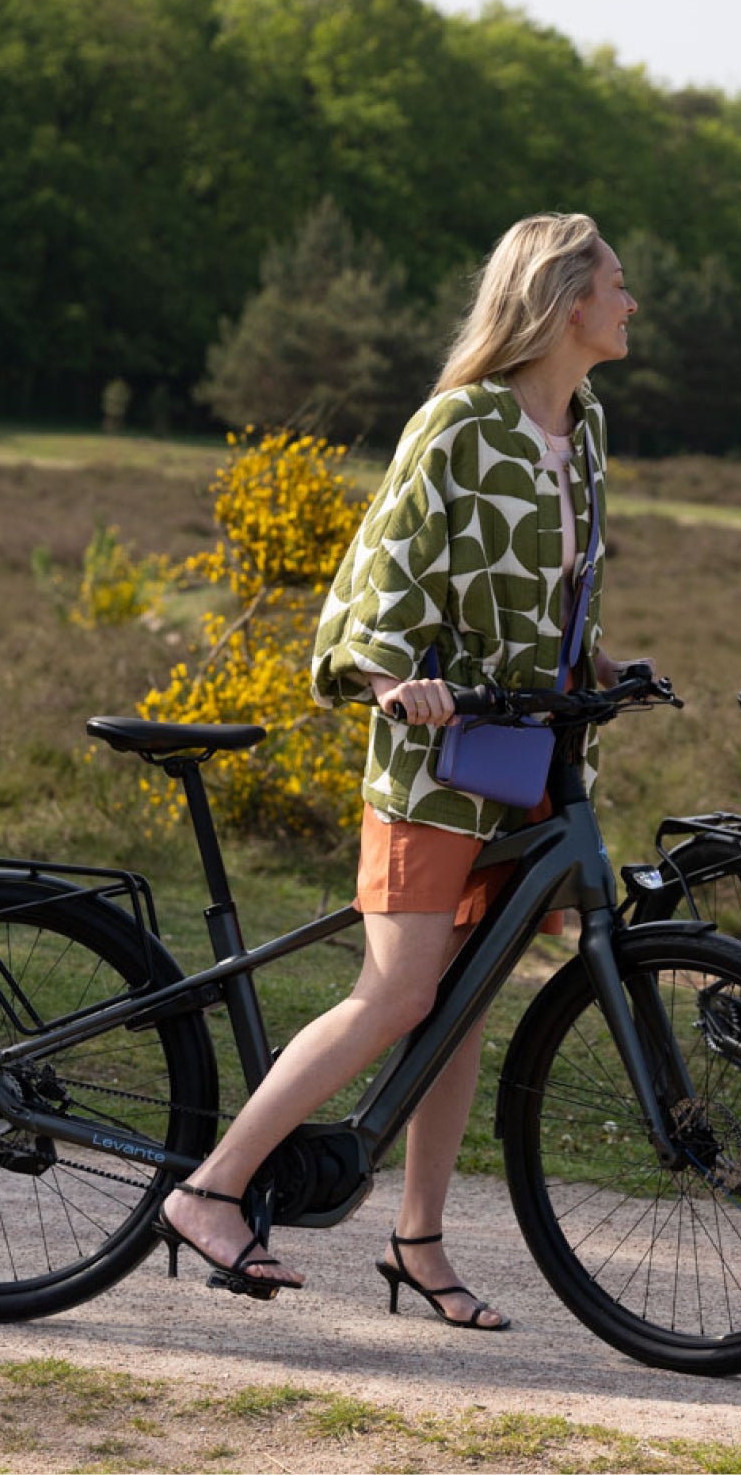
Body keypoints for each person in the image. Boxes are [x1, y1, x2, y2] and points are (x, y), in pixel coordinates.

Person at [157, 212, 644, 1330]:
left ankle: (415, 1239)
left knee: (458, 1007)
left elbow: (559, 583)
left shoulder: (588, 425)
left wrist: (600, 659)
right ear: (565, 300)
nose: (629, 306)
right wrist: (384, 678)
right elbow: (382, 562)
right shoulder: (459, 423)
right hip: (436, 754)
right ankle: (211, 1186)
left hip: (526, 752)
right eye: (616, 287)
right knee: (397, 990)